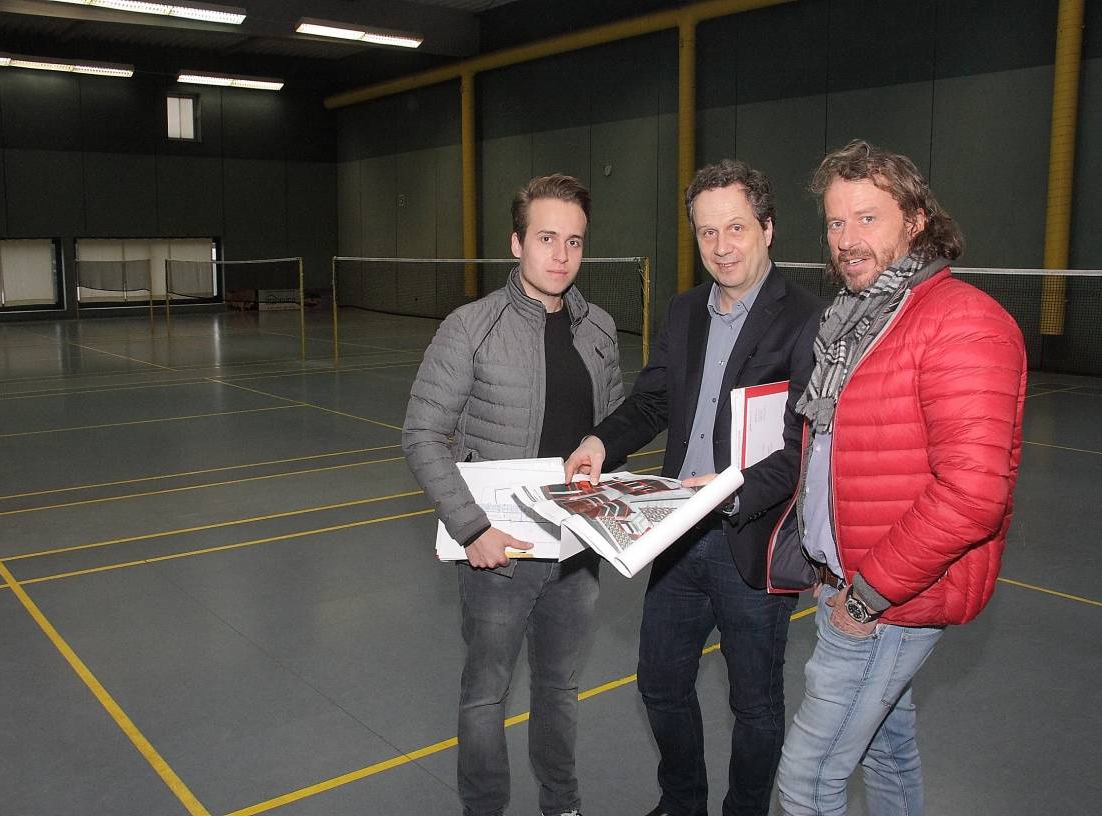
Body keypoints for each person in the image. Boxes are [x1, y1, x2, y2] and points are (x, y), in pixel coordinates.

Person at [773, 140, 1027, 815]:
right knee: (886, 751)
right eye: (835, 222)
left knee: (806, 783)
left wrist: (866, 598)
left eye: (867, 218)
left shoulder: (962, 322)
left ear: (915, 221)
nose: (846, 239)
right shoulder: (857, 320)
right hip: (850, 583)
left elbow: (973, 494)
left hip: (887, 601)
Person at [564, 160, 823, 816]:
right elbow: (653, 399)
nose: (722, 246)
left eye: (736, 227)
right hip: (678, 536)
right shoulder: (684, 311)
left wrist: (731, 488)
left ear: (768, 228)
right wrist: (601, 442)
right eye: (707, 232)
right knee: (659, 684)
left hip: (751, 539)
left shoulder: (805, 319)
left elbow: (804, 447)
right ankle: (683, 802)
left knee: (755, 705)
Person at [403, 173, 625, 816]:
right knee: (485, 696)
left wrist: (608, 473)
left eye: (574, 241)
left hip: (576, 551)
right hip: (498, 555)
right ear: (516, 242)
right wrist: (472, 529)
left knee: (559, 691)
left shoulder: (600, 329)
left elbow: (611, 431)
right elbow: (422, 434)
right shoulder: (470, 327)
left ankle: (563, 805)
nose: (561, 255)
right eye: (546, 238)